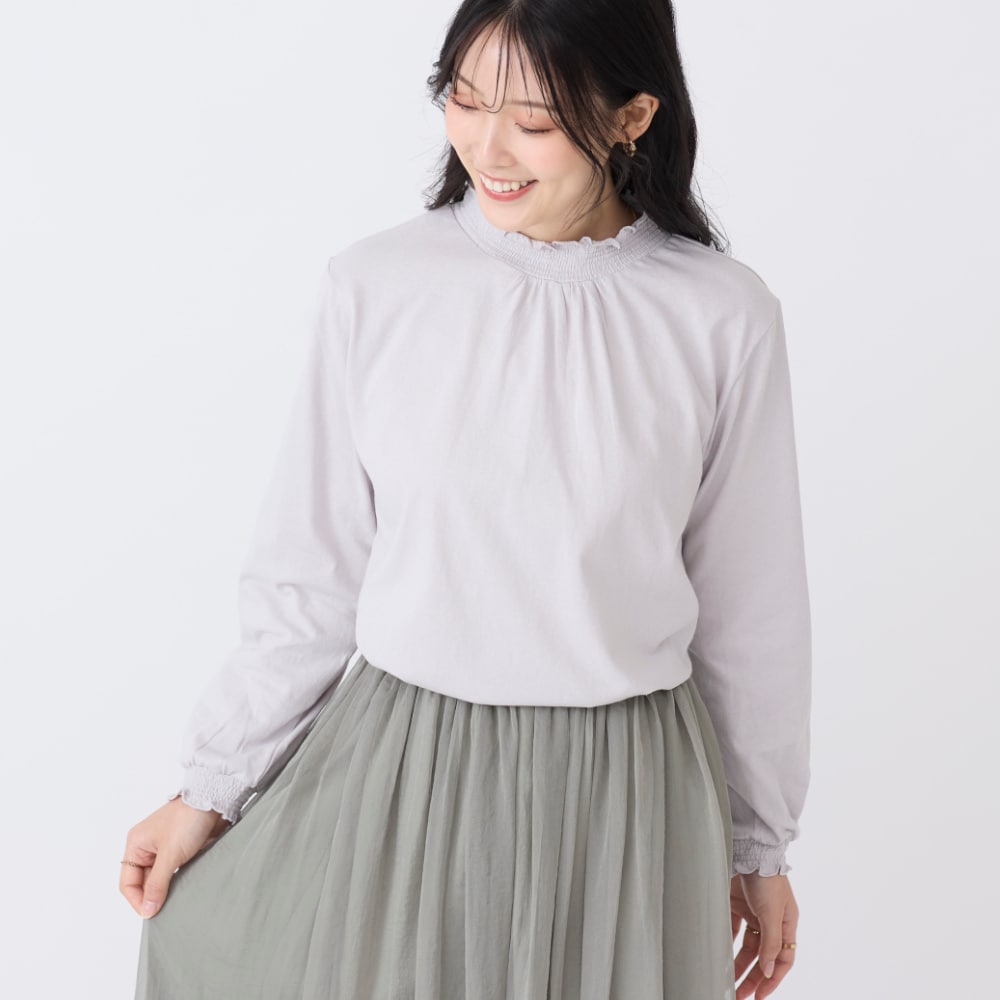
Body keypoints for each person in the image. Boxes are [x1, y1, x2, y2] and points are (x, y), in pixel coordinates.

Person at [121, 1, 812, 998]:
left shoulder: (720, 314)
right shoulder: (380, 285)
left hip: (629, 790)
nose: (487, 147)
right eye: (464, 100)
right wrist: (212, 786)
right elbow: (311, 577)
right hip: (402, 769)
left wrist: (758, 843)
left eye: (533, 119)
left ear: (632, 116)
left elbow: (752, 612)